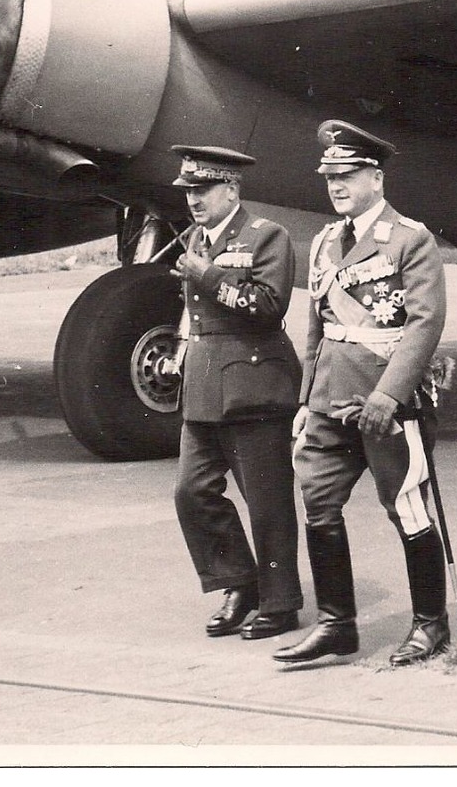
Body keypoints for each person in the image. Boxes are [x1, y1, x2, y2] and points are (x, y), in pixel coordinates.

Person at [274, 121, 450, 668]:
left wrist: (389, 396)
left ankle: (429, 624)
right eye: (330, 176)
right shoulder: (326, 240)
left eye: (348, 174)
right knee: (318, 504)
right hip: (329, 399)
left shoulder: (409, 238)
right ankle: (336, 623)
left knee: (407, 508)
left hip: (386, 405)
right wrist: (305, 399)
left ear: (376, 176)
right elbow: (316, 324)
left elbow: (425, 323)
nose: (337, 185)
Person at [168, 145, 305, 641]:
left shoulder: (267, 236)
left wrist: (205, 274)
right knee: (191, 492)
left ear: (231, 188)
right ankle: (239, 583)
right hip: (205, 385)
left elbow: (267, 306)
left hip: (254, 386)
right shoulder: (195, 240)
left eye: (202, 190)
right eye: (188, 191)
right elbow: (196, 314)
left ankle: (281, 602)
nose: (193, 201)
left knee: (266, 501)